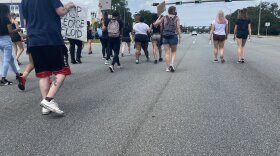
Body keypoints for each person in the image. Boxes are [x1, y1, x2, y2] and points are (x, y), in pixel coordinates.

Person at [22, 0, 75, 115]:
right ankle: (48, 100)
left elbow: (25, 23)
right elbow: (61, 11)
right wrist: (69, 6)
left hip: (34, 40)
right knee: (62, 71)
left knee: (44, 74)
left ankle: (45, 106)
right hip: (51, 39)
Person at [154, 6, 182, 72]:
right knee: (173, 52)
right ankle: (171, 64)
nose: (176, 11)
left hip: (165, 36)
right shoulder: (176, 18)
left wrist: (159, 17)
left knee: (167, 53)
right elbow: (178, 28)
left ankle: (167, 67)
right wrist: (180, 37)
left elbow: (155, 23)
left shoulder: (164, 17)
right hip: (173, 36)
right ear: (173, 11)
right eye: (175, 10)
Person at [0, 4, 22, 86]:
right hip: (6, 40)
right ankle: (3, 79)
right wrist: (18, 29)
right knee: (7, 59)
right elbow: (10, 31)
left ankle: (17, 74)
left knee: (11, 59)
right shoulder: (6, 19)